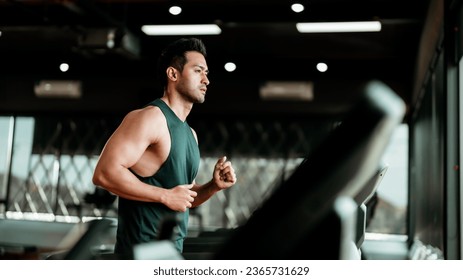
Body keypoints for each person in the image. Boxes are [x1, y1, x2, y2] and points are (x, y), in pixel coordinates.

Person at [92, 37, 237, 257]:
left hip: (170, 256)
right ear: (173, 74)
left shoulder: (190, 134)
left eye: (207, 73)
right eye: (198, 71)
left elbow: (182, 198)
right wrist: (164, 196)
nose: (206, 80)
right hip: (138, 258)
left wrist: (212, 187)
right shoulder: (150, 118)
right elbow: (104, 173)